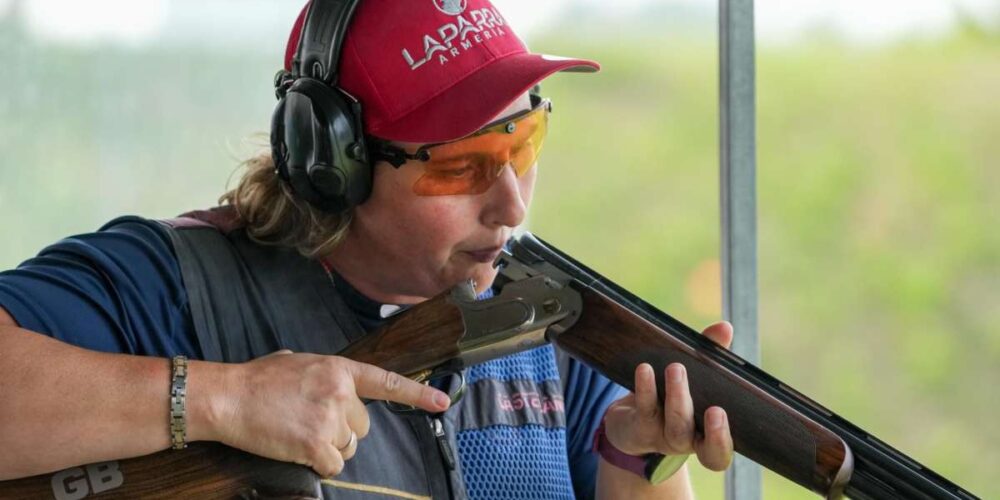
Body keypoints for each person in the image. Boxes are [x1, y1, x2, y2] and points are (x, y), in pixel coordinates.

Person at [0, 0, 735, 498]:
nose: (511, 204)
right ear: (334, 165)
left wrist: (643, 454)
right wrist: (223, 399)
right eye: (461, 165)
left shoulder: (545, 326)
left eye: (524, 140)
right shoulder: (174, 286)